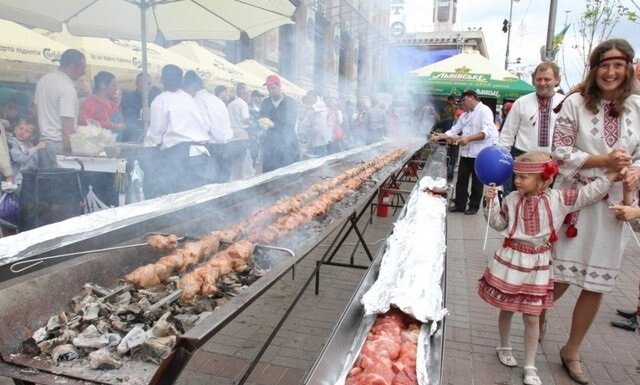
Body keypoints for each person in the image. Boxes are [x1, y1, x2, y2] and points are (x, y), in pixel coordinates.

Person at [547, 38, 640, 384]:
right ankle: (536, 317)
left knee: (595, 283)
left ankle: (572, 348)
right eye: (605, 65)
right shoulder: (574, 104)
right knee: (557, 275)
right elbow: (559, 152)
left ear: (628, 68)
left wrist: (636, 171)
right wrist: (604, 160)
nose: (611, 72)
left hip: (614, 206)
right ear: (594, 68)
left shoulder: (637, 106)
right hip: (576, 200)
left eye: (618, 65)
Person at [481, 151, 617, 385]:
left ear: (543, 179)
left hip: (539, 264)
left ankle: (530, 364)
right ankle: (504, 345)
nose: (517, 181)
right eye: (517, 176)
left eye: (523, 177)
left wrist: (610, 177)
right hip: (512, 259)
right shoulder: (511, 199)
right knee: (507, 307)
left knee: (533, 316)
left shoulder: (558, 199)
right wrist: (490, 204)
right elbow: (498, 224)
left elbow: (588, 193)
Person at [498, 61, 564, 195]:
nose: (542, 83)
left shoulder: (565, 102)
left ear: (556, 79)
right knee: (519, 202)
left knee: (546, 203)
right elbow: (507, 135)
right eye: (538, 79)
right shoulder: (521, 102)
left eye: (547, 79)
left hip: (550, 163)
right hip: (523, 162)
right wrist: (501, 162)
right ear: (533, 80)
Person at [146, 65, 211, 195]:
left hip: (181, 159)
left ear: (162, 80)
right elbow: (205, 126)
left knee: (180, 200)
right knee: (200, 199)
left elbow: (155, 135)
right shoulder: (189, 98)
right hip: (202, 155)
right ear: (181, 80)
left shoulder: (160, 100)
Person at [431, 89, 497, 215]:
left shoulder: (484, 111)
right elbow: (454, 130)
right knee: (461, 179)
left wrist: (468, 138)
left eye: (463, 101)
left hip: (480, 154)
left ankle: (474, 206)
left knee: (477, 181)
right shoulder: (464, 115)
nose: (462, 104)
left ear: (472, 98)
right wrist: (441, 136)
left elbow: (487, 133)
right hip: (466, 153)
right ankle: (460, 204)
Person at [34, 48, 86, 168]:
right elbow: (68, 128)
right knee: (60, 185)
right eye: (82, 68)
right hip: (59, 145)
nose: (84, 72)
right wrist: (77, 150)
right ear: (73, 67)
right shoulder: (68, 89)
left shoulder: (43, 80)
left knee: (45, 184)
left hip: (43, 143)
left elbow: (36, 111)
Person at [259, 75, 299, 173]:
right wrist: (261, 122)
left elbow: (291, 123)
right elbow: (262, 116)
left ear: (279, 86)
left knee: (288, 173)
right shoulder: (266, 102)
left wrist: (273, 124)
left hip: (288, 143)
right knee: (269, 173)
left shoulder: (290, 102)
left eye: (273, 88)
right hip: (270, 144)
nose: (270, 91)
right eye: (268, 88)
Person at [121, 73, 161, 142]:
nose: (146, 86)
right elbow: (129, 120)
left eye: (149, 84)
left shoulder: (156, 99)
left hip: (152, 138)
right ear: (136, 84)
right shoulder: (128, 99)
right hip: (132, 138)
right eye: (143, 83)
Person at [227, 82, 255, 180]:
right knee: (241, 162)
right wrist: (253, 122)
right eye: (248, 93)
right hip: (241, 136)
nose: (249, 96)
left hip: (231, 136)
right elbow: (245, 119)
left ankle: (233, 181)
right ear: (242, 93)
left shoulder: (230, 104)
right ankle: (239, 183)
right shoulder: (242, 104)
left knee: (234, 164)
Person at [7, 119, 46, 187]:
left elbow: (35, 162)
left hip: (30, 178)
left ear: (32, 136)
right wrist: (36, 148)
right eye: (20, 128)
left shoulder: (31, 146)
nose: (22, 132)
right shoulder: (11, 143)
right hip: (17, 180)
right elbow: (19, 158)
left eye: (27, 131)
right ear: (15, 129)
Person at [300, 90, 329, 156]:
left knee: (322, 162)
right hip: (312, 141)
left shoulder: (320, 104)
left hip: (321, 141)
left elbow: (308, 107)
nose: (309, 100)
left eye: (310, 98)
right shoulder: (311, 110)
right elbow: (305, 123)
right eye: (308, 99)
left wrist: (298, 105)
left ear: (315, 97)